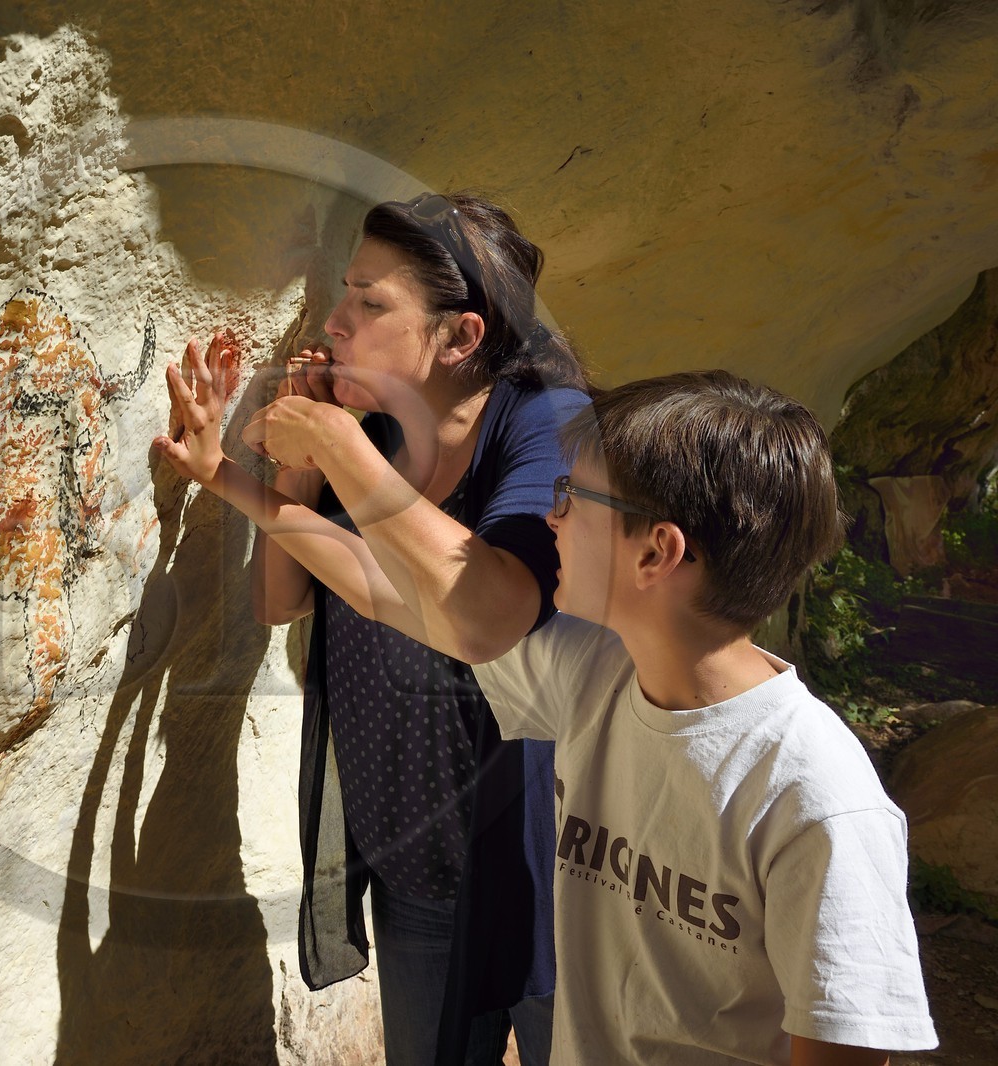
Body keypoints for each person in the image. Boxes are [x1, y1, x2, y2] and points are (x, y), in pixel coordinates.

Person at [246, 369, 940, 1064]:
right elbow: (384, 588)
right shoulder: (598, 676)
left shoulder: (815, 800)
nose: (551, 518)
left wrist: (334, 443)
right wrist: (224, 475)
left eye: (571, 496)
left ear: (656, 552)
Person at [155, 192, 591, 1065]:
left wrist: (335, 443)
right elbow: (297, 598)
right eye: (344, 293)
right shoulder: (383, 431)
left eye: (369, 301)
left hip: (548, 882)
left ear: (460, 338)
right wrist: (261, 474)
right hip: (414, 864)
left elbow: (490, 614)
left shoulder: (543, 424)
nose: (334, 321)